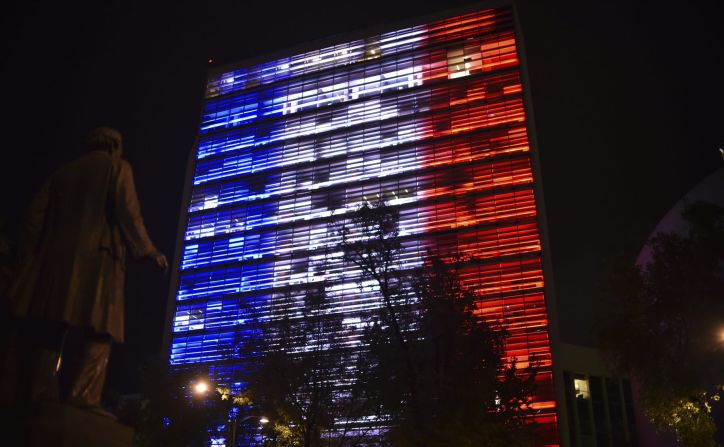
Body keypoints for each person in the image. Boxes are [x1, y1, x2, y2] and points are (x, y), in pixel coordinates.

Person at [8, 127, 167, 415]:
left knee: (50, 328)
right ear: (113, 145)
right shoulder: (117, 167)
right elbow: (127, 211)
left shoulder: (62, 174)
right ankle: (83, 396)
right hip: (99, 261)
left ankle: (39, 393)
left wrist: (32, 257)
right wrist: (148, 249)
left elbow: (32, 219)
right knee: (101, 330)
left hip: (54, 264)